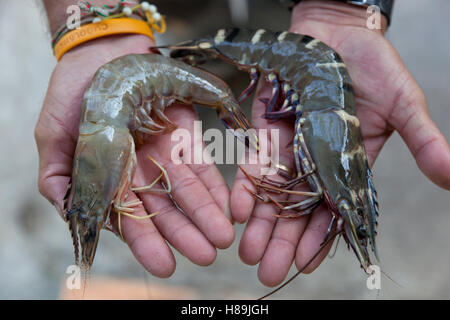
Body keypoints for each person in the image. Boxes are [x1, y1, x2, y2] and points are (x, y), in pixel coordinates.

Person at [35, 0, 450, 286]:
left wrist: (338, 5)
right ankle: (201, 73)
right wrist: (91, 18)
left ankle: (214, 90)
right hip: (172, 36)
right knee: (184, 26)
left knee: (228, 55)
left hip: (290, 25)